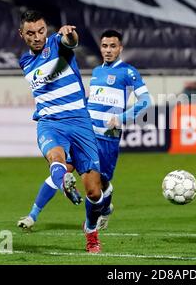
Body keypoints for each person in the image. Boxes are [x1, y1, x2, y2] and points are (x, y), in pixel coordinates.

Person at [17, 28, 151, 247]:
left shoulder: (128, 72)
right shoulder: (97, 71)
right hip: (86, 133)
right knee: (61, 170)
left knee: (100, 186)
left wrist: (122, 118)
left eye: (113, 46)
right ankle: (33, 215)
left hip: (108, 138)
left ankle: (106, 207)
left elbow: (146, 102)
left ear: (120, 48)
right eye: (105, 46)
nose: (108, 50)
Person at [17, 10, 105, 253]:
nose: (37, 37)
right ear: (22, 34)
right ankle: (64, 181)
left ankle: (90, 228)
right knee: (56, 157)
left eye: (41, 31)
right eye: (31, 33)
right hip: (50, 122)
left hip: (80, 123)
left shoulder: (56, 42)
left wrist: (70, 35)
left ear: (47, 30)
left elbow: (70, 42)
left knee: (94, 192)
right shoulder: (24, 62)